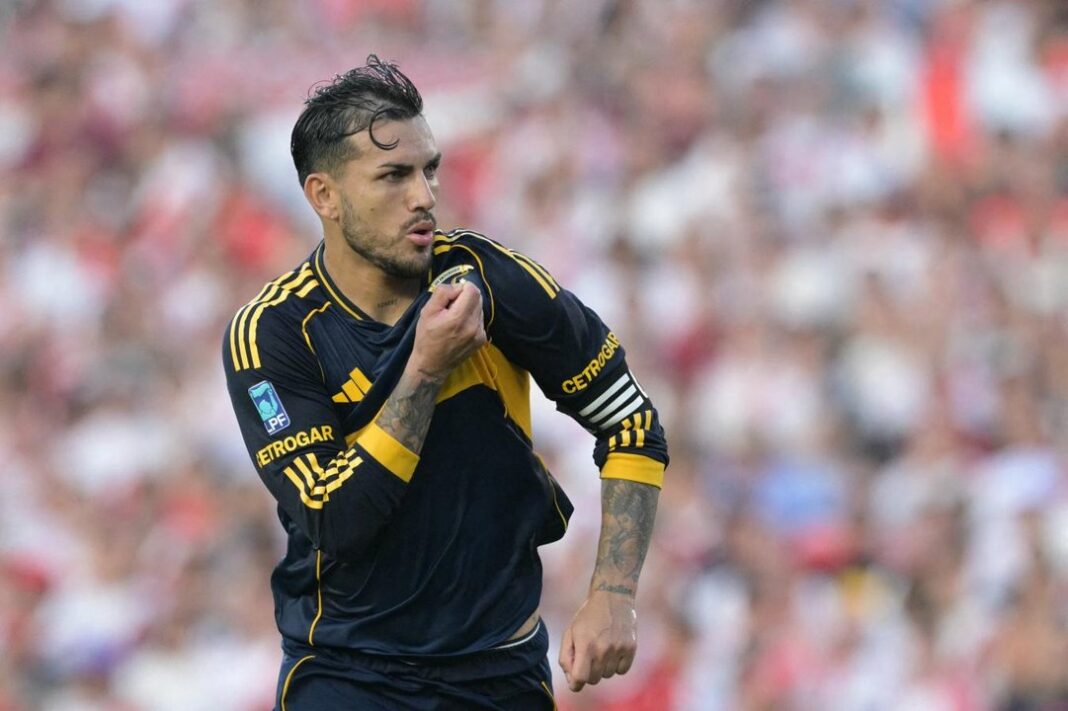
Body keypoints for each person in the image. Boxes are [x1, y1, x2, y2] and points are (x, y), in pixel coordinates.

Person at [222, 55, 668, 710]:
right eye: (394, 176)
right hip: (349, 673)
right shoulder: (273, 333)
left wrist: (613, 594)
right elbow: (334, 517)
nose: (424, 195)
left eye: (429, 169)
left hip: (500, 671)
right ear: (325, 196)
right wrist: (426, 368)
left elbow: (632, 421)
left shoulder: (492, 280)